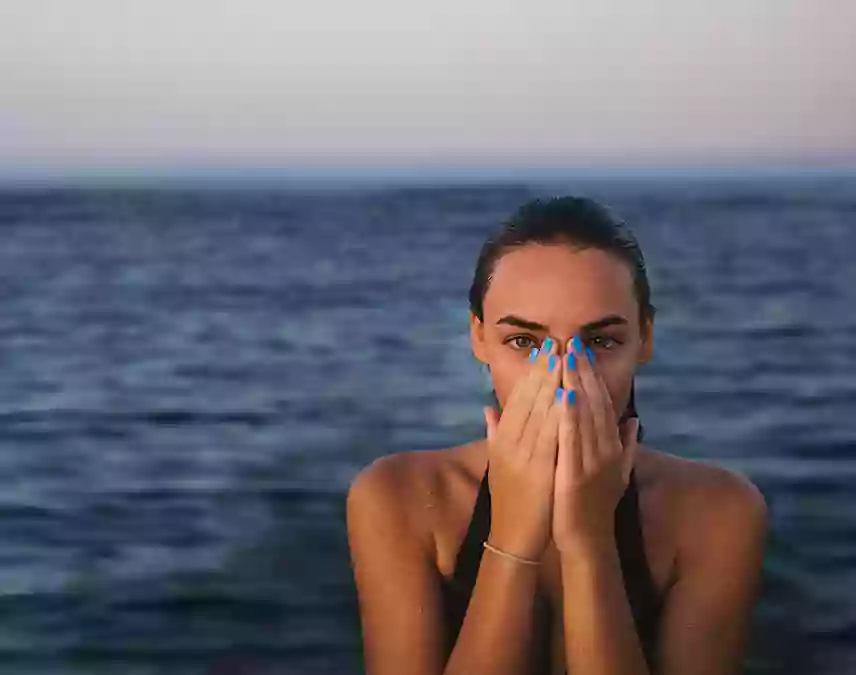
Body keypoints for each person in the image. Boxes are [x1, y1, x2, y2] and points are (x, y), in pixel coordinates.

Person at [346, 197, 769, 675]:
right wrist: (511, 541)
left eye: (600, 342)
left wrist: (588, 545)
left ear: (644, 339)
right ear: (479, 338)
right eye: (525, 342)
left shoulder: (718, 512)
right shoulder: (397, 497)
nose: (565, 377)